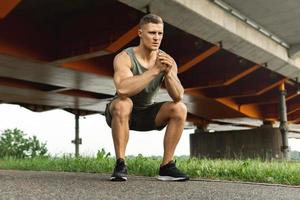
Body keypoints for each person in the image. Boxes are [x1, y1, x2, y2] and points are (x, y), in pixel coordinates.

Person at [105, 13, 189, 181]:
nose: (156, 38)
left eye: (160, 33)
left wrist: (168, 74)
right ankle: (120, 164)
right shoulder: (124, 58)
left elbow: (178, 95)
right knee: (124, 103)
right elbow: (122, 90)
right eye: (152, 33)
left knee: (180, 108)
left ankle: (167, 166)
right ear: (140, 33)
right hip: (120, 114)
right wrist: (154, 71)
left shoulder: (167, 59)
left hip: (147, 115)